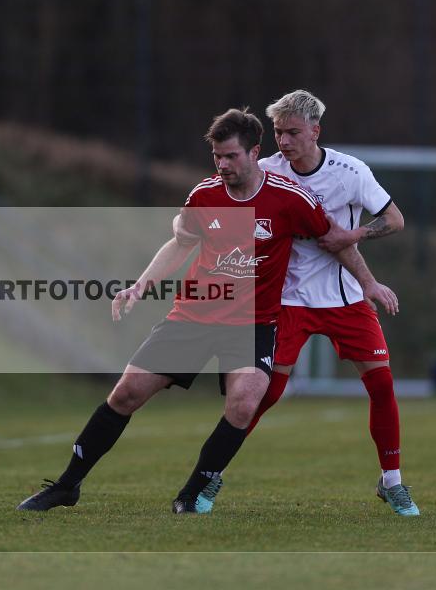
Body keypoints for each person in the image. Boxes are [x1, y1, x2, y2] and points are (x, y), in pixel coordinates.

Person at [17, 107, 397, 514]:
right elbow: (180, 242)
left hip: (252, 323)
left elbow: (336, 240)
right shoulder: (205, 194)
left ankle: (192, 493)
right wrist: (142, 284)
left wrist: (368, 283)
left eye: (231, 156)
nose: (223, 165)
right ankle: (66, 486)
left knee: (245, 401)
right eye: (217, 157)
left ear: (255, 153)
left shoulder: (291, 198)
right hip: (194, 316)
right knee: (126, 393)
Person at [177, 90, 417, 516]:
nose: (283, 141)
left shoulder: (350, 171)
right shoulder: (264, 170)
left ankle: (392, 481)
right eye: (277, 132)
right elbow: (223, 206)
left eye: (292, 132)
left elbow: (394, 219)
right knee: (262, 395)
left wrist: (355, 238)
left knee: (381, 384)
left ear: (315, 131)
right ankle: (210, 475)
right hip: (285, 300)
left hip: (344, 297)